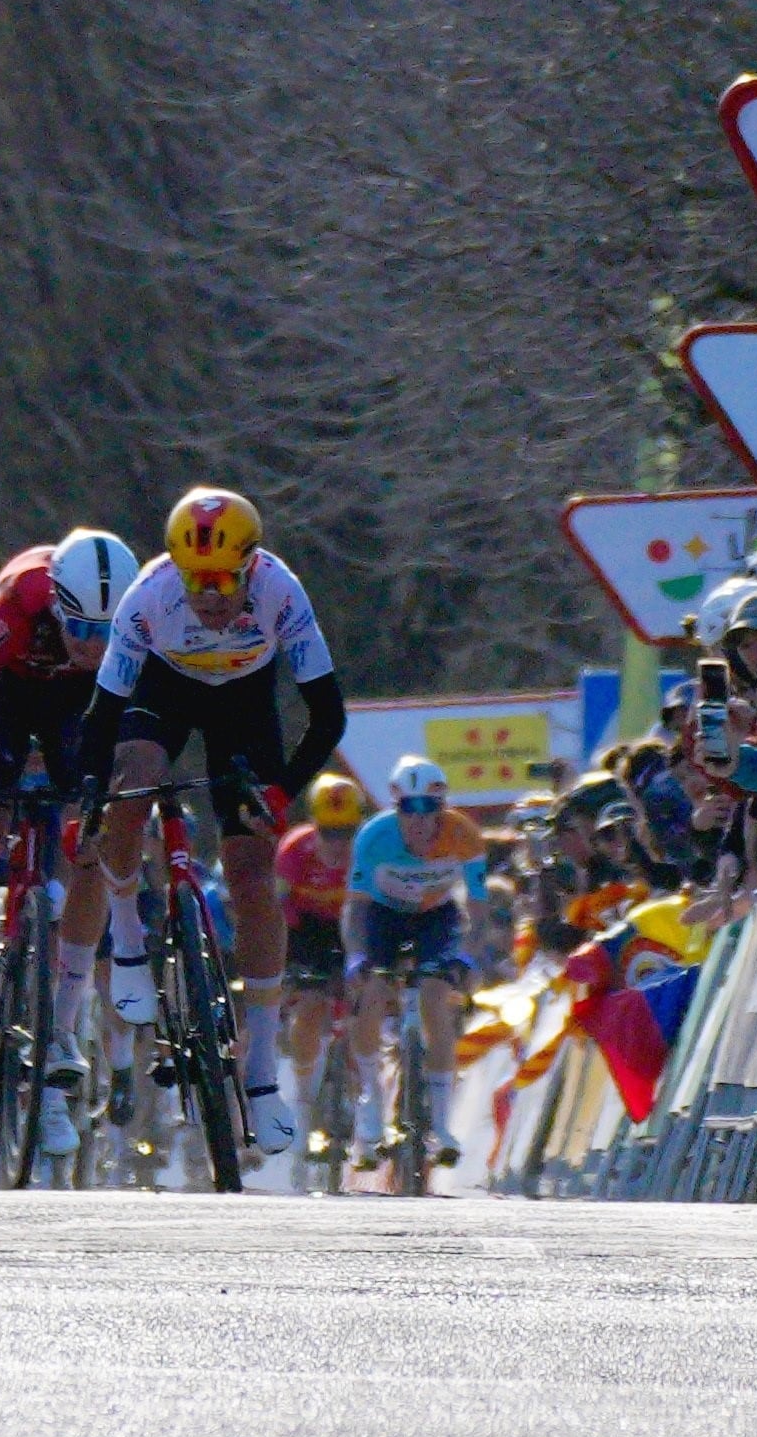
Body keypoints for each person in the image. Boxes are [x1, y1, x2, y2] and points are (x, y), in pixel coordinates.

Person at [81, 487, 346, 1158]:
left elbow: (328, 716)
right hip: (162, 691)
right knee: (131, 780)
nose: (211, 595)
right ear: (177, 570)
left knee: (254, 874)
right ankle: (128, 928)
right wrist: (91, 789)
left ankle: (260, 1059)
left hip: (244, 703)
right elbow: (103, 713)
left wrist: (282, 792)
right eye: (197, 580)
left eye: (225, 579)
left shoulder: (282, 592)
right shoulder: (148, 598)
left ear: (251, 567)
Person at [0, 531, 135, 1121]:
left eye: (105, 633)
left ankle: (66, 1016)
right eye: (82, 630)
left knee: (92, 838)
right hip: (5, 694)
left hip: (80, 704)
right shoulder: (23, 600)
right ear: (57, 607)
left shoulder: (130, 627)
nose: (92, 644)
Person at [343, 758, 487, 1165]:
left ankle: (441, 1126)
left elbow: (478, 910)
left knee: (434, 999)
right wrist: (356, 957)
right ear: (396, 807)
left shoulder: (464, 836)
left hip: (435, 918)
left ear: (443, 806)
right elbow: (355, 911)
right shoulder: (373, 838)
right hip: (382, 917)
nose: (420, 820)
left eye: (430, 808)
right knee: (370, 995)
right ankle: (371, 1105)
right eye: (410, 808)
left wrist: (468, 956)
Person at [276, 771, 368, 1134]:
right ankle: (302, 1097)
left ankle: (363, 1096)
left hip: (352, 928)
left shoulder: (369, 850)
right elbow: (280, 909)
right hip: (306, 929)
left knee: (363, 1004)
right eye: (330, 833)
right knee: (311, 1006)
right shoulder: (295, 849)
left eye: (346, 833)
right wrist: (290, 967)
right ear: (314, 825)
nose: (339, 844)